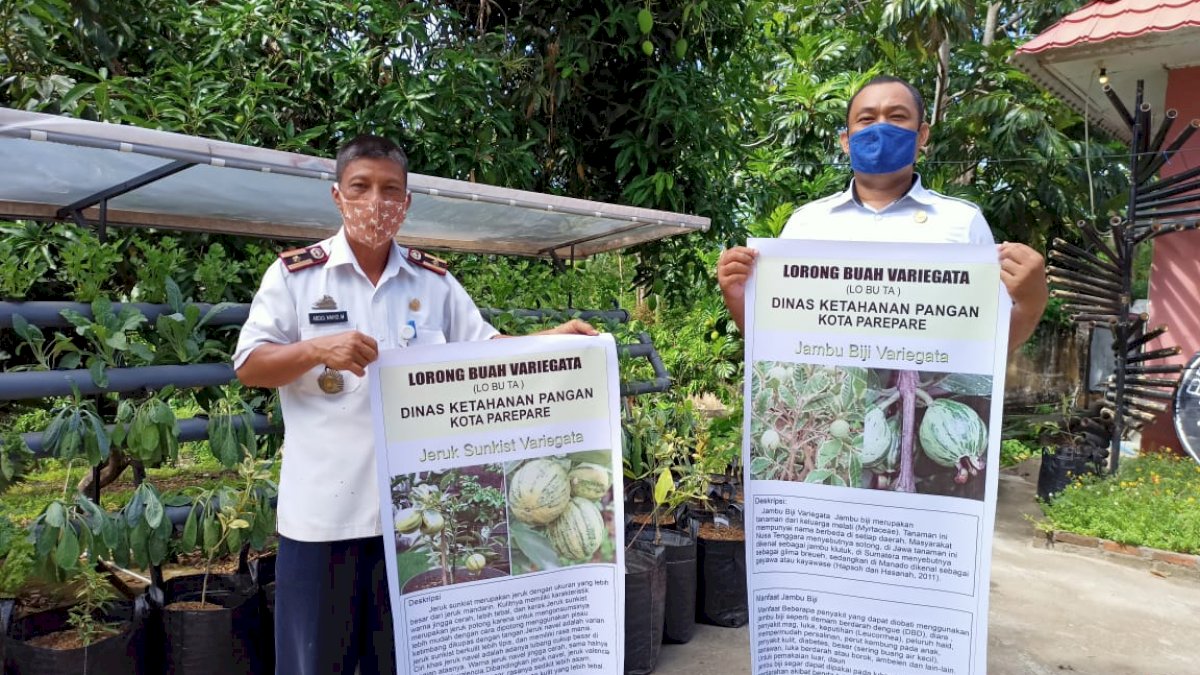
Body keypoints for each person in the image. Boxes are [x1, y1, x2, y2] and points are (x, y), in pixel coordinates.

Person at [233, 134, 596, 675]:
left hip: (414, 521)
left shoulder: (433, 282)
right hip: (324, 519)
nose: (375, 202)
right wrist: (315, 349)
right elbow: (249, 365)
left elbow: (487, 353)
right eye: (361, 187)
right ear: (338, 195)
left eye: (390, 190)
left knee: (405, 662)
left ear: (406, 203)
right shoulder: (296, 278)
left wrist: (556, 340)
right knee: (315, 665)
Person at [717, 75, 1048, 352]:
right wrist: (736, 295)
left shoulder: (962, 223)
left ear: (922, 136)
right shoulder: (806, 223)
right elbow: (777, 343)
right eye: (866, 118)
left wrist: (1032, 302)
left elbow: (986, 351)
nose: (881, 127)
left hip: (919, 409)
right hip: (829, 412)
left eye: (897, 116)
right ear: (846, 141)